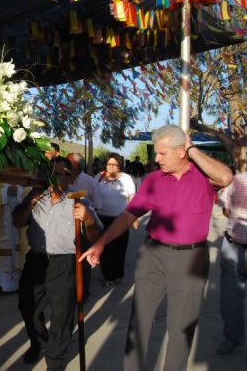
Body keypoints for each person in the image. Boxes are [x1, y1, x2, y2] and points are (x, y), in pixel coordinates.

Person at [81, 125, 233, 371]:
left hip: (191, 259)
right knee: (139, 321)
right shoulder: (153, 180)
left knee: (181, 328)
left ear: (182, 151)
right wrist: (100, 243)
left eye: (162, 153)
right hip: (153, 255)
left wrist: (193, 149)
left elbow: (226, 177)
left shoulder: (204, 177)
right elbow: (127, 216)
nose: (156, 158)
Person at [13, 156, 102, 369]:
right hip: (36, 261)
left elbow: (96, 236)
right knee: (27, 307)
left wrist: (88, 220)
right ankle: (39, 342)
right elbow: (17, 222)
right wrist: (30, 201)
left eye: (59, 174)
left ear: (70, 179)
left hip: (64, 264)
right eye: (50, 173)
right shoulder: (35, 197)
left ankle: (55, 360)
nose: (53, 178)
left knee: (62, 316)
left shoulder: (79, 201)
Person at [215, 170, 247, 355]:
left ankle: (232, 338)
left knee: (230, 299)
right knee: (230, 298)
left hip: (233, 243)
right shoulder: (235, 180)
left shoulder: (235, 180)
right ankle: (232, 338)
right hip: (233, 248)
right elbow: (226, 210)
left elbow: (227, 211)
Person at [93, 153, 137, 287]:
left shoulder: (126, 178)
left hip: (121, 219)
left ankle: (119, 274)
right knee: (105, 249)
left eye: (114, 164)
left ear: (120, 166)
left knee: (120, 249)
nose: (111, 167)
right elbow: (92, 195)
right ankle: (108, 277)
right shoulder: (98, 177)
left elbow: (132, 198)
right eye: (109, 164)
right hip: (102, 219)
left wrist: (133, 217)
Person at [67, 152, 103, 300]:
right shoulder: (60, 178)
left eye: (72, 168)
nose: (68, 171)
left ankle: (83, 291)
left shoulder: (90, 182)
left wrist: (87, 216)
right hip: (65, 228)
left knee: (83, 261)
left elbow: (98, 205)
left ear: (80, 168)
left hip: (84, 225)